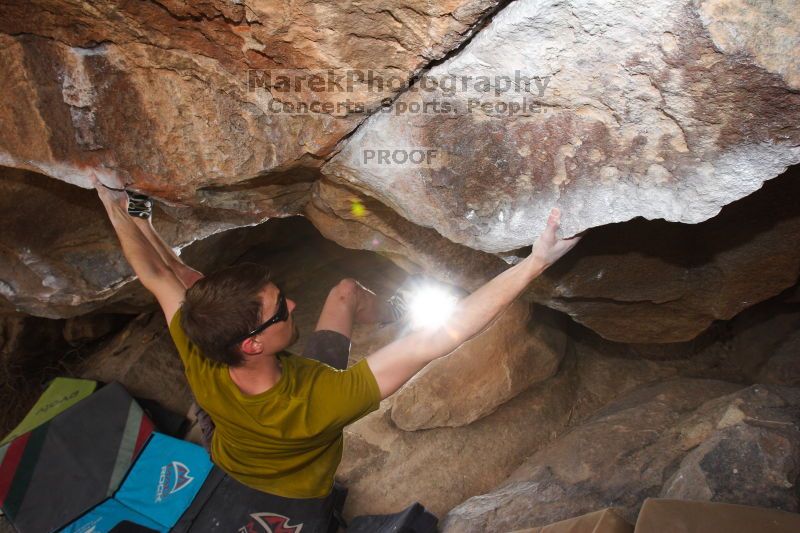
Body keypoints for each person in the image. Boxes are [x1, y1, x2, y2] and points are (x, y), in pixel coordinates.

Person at [92, 172, 581, 501]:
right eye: (281, 308)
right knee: (208, 285)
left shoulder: (202, 346)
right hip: (296, 489)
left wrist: (117, 206)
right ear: (253, 344)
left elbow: (160, 273)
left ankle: (394, 307)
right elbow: (435, 342)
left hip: (229, 440)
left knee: (331, 292)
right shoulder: (324, 400)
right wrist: (537, 262)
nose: (293, 304)